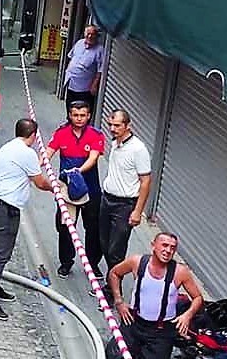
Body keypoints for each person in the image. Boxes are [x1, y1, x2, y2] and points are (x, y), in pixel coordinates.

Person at [0, 118, 52, 321]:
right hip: (6, 208)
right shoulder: (27, 153)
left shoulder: (7, 147)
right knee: (0, 254)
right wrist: (56, 188)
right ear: (34, 135)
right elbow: (39, 182)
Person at [107, 232, 204, 359]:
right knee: (113, 354)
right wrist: (119, 301)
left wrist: (187, 315)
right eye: (164, 245)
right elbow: (114, 273)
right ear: (153, 245)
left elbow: (198, 298)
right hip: (133, 322)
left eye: (172, 247)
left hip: (161, 332)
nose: (168, 250)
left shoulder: (180, 272)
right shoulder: (137, 262)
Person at [45, 99, 105, 279]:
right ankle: (66, 262)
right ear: (70, 115)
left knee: (93, 228)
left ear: (88, 116)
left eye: (82, 115)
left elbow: (93, 158)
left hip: (90, 190)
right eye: (75, 115)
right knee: (65, 227)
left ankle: (93, 264)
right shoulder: (61, 133)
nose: (79, 119)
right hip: (67, 191)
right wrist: (36, 165)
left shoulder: (96, 135)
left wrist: (76, 172)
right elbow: (48, 152)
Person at [99, 109, 152, 302]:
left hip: (124, 205)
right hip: (108, 199)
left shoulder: (138, 149)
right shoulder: (115, 143)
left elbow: (145, 181)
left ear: (127, 126)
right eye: (111, 124)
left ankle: (113, 291)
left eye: (117, 125)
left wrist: (137, 211)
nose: (112, 129)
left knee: (116, 249)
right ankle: (111, 280)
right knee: (104, 242)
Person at [63, 25, 104, 116]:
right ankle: (69, 123)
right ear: (84, 34)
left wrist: (94, 85)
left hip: (84, 88)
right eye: (88, 34)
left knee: (82, 111)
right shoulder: (79, 43)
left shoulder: (99, 50)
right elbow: (71, 57)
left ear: (97, 36)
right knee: (70, 106)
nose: (90, 36)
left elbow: (100, 70)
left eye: (92, 34)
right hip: (71, 82)